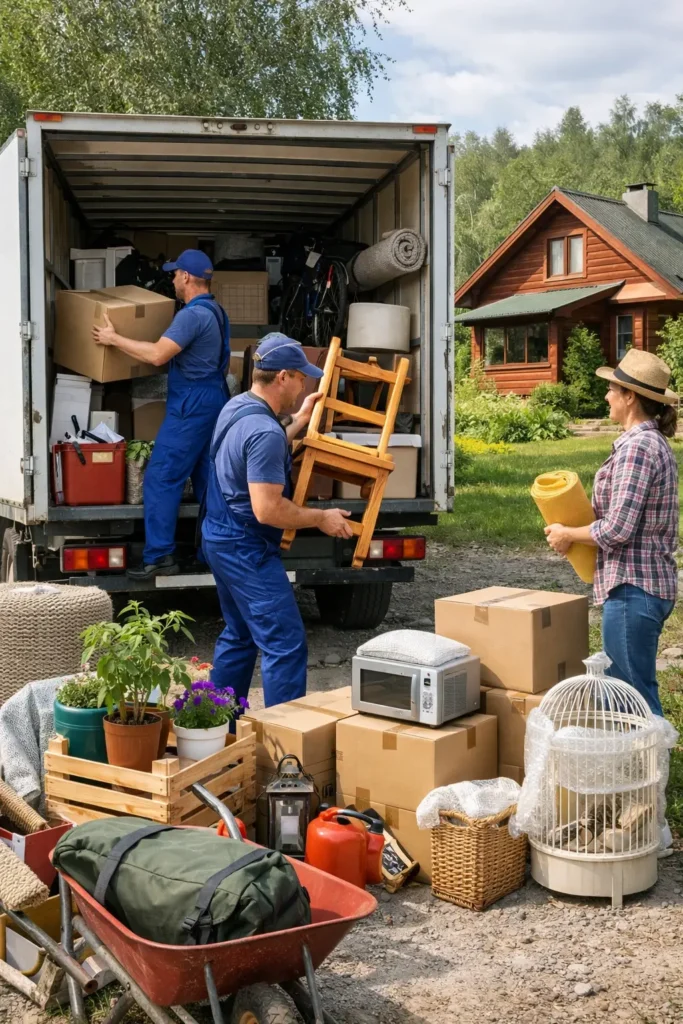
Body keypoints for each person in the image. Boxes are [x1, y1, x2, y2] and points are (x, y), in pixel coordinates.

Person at [202, 333, 354, 709]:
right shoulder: (265, 432)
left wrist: (298, 422)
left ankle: (217, 729)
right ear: (283, 376)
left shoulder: (238, 407)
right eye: (301, 376)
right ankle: (288, 747)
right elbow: (267, 510)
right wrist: (321, 518)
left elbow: (253, 454)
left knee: (240, 635)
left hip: (219, 537)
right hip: (244, 547)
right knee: (284, 643)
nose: (305, 383)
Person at [545, 348, 679, 717]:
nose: (606, 396)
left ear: (630, 397)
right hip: (642, 587)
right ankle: (644, 765)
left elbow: (617, 528)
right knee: (630, 687)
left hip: (633, 588)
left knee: (631, 695)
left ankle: (651, 769)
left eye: (612, 390)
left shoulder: (638, 448)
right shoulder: (649, 444)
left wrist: (568, 534)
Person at [93, 250, 230, 580]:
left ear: (186, 277)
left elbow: (157, 355)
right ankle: (213, 554)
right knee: (208, 480)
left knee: (161, 477)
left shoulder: (192, 316)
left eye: (174, 274)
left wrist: (113, 338)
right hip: (214, 400)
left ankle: (160, 557)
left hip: (193, 405)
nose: (171, 280)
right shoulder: (216, 311)